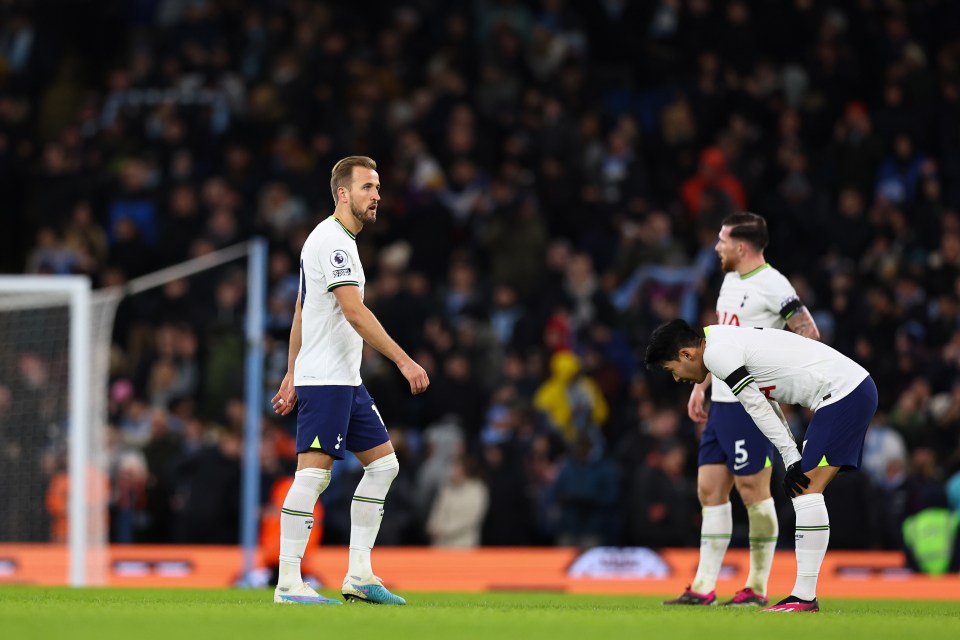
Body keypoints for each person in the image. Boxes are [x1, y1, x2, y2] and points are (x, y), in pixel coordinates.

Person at [271, 156, 430, 605]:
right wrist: (404, 361)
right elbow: (354, 311)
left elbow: (302, 309)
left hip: (343, 377)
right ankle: (287, 583)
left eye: (377, 187)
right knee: (313, 476)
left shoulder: (335, 240)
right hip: (327, 380)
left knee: (384, 465)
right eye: (366, 187)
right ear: (343, 193)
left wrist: (289, 371)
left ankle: (359, 574)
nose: (376, 195)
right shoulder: (333, 243)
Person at [644, 319, 878, 612]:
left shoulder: (718, 354)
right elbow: (768, 401)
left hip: (843, 394)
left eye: (672, 370)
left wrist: (790, 455)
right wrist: (790, 452)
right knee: (806, 489)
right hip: (848, 391)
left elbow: (755, 405)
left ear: (686, 355)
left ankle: (804, 598)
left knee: (806, 490)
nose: (678, 379)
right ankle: (803, 597)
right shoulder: (720, 339)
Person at [665, 212, 820, 607]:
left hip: (749, 407)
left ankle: (757, 585)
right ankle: (703, 586)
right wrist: (702, 385)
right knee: (709, 490)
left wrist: (779, 383)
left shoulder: (773, 284)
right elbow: (719, 340)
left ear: (741, 246)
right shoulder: (730, 280)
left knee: (753, 492)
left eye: (722, 240)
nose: (716, 247)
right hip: (720, 404)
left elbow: (809, 333)